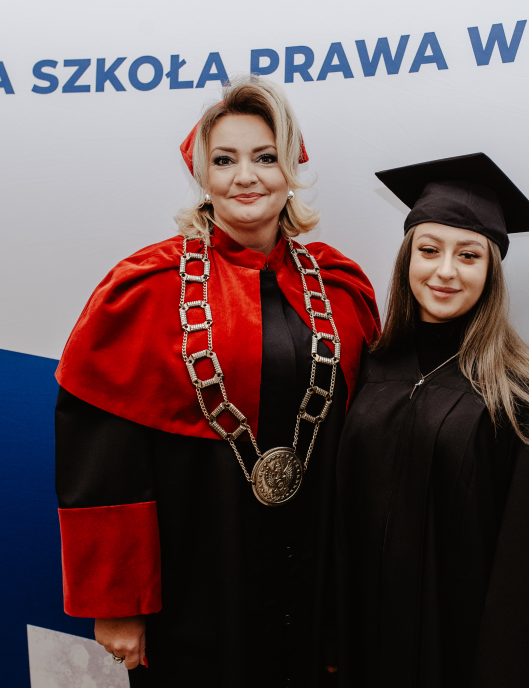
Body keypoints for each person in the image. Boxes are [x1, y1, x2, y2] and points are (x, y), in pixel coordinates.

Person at [54, 76, 380, 687]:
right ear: (202, 174)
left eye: (265, 157)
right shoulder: (145, 289)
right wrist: (118, 601)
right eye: (224, 160)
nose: (245, 177)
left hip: (311, 576)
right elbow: (104, 460)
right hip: (197, 573)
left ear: (291, 169)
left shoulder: (341, 287)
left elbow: (362, 447)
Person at [336, 153, 529, 687]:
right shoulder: (368, 367)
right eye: (429, 250)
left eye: (469, 255)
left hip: (456, 659)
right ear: (406, 259)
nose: (445, 271)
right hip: (359, 650)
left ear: (492, 271)